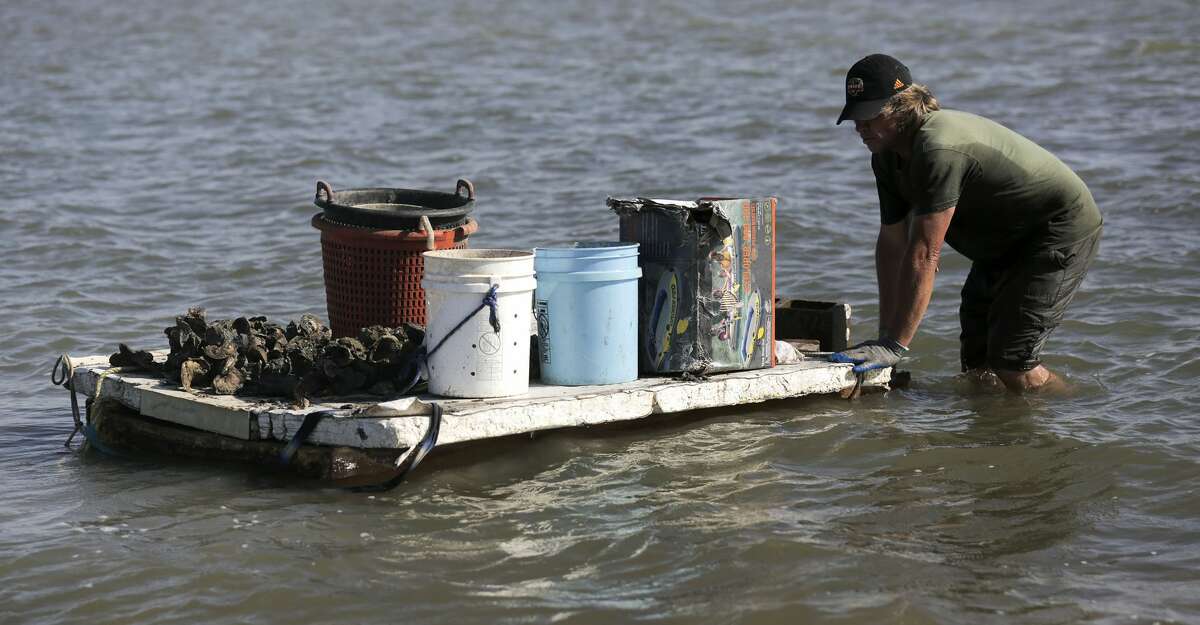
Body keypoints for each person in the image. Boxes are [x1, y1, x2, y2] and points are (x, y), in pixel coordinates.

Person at [828, 54, 1103, 393]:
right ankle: (993, 435)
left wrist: (896, 346)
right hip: (1002, 239)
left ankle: (1077, 410)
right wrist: (886, 337)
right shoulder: (885, 156)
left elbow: (924, 254)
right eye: (855, 117)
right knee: (978, 364)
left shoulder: (937, 148)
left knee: (1012, 361)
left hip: (1056, 229)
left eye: (870, 116)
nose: (860, 127)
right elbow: (892, 245)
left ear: (901, 107)